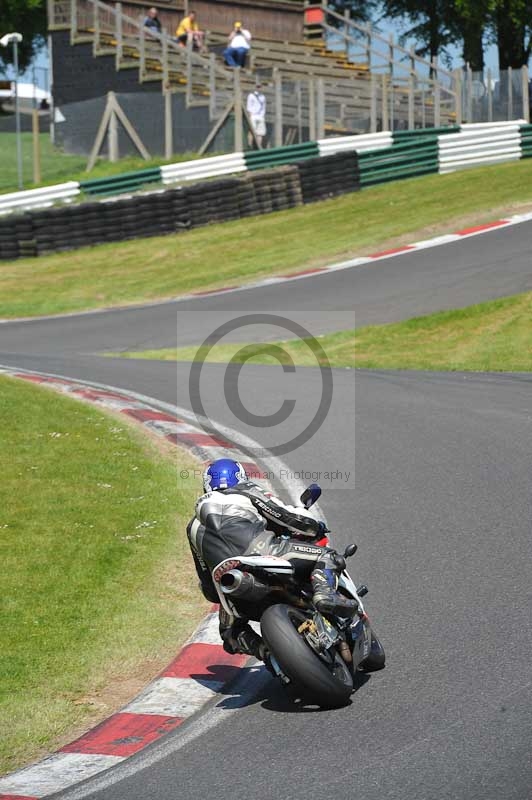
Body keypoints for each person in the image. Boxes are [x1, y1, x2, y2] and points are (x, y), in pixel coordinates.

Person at [186, 458, 358, 664]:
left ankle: (267, 653)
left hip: (229, 582)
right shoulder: (243, 489)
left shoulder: (192, 527)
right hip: (263, 553)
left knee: (229, 632)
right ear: (240, 477)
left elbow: (207, 582)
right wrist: (314, 526)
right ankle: (324, 594)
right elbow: (288, 517)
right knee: (327, 556)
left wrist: (220, 594)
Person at [246, 83, 266, 148]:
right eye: (257, 87)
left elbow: (263, 107)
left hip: (260, 116)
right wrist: (250, 115)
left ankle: (259, 146)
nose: (259, 88)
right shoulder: (251, 95)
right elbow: (249, 106)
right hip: (253, 116)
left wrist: (262, 115)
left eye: (260, 87)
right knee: (251, 131)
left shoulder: (263, 97)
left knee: (260, 133)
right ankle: (249, 145)